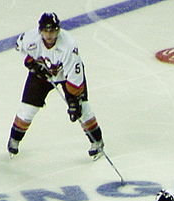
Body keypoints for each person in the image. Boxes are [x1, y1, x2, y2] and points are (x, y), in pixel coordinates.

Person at [6, 12, 105, 160]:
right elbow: (20, 47)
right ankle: (15, 138)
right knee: (27, 109)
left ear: (58, 30)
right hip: (42, 75)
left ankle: (97, 141)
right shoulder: (30, 39)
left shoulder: (68, 46)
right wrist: (31, 62)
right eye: (46, 31)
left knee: (82, 108)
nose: (50, 35)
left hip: (66, 75)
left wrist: (74, 101)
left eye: (53, 31)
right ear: (40, 31)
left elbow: (75, 79)